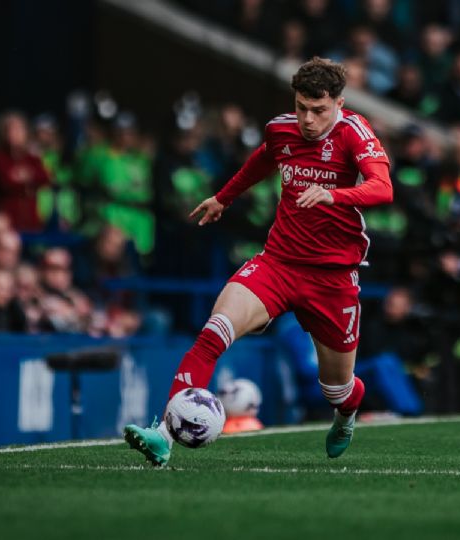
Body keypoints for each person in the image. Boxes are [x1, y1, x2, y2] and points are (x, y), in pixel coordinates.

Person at [123, 57, 392, 466]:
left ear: (338, 103)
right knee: (213, 332)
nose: (307, 119)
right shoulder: (281, 129)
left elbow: (383, 188)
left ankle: (346, 415)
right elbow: (264, 160)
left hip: (332, 277)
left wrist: (333, 194)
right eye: (301, 106)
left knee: (337, 389)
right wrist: (223, 198)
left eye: (318, 110)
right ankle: (163, 436)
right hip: (278, 263)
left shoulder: (355, 133)